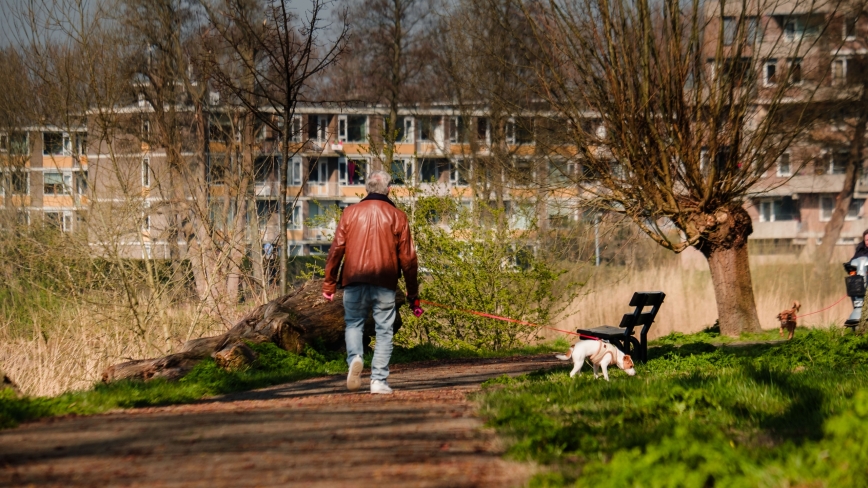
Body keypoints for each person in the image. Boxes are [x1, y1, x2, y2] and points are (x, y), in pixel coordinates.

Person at [322, 170, 418, 394]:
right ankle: (378, 380)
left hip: (353, 280)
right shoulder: (398, 216)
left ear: (367, 189)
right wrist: (413, 293)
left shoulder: (350, 213)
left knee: (354, 324)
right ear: (389, 189)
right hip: (384, 282)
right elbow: (408, 258)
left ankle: (355, 357)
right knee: (384, 330)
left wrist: (329, 284)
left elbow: (336, 250)